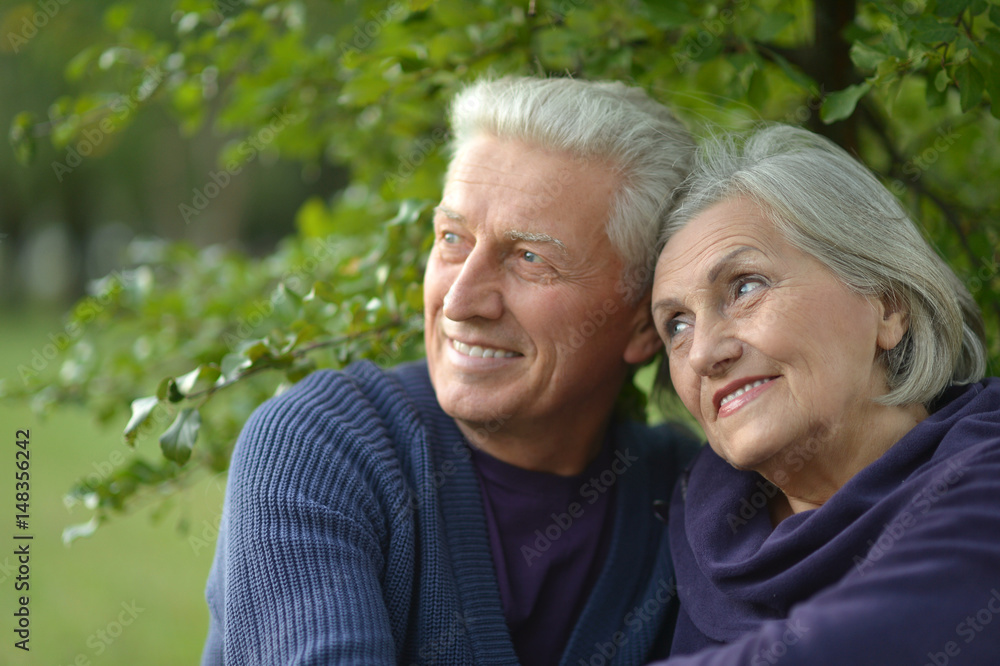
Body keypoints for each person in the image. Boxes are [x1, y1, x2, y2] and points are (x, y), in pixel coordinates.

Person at [202, 76, 699, 665]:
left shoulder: (691, 499)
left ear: (646, 324)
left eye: (531, 258)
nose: (460, 301)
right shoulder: (318, 448)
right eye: (452, 239)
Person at [648, 123, 1000, 665]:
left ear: (887, 306)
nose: (702, 354)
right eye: (676, 325)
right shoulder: (682, 534)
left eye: (745, 287)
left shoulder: (986, 473)